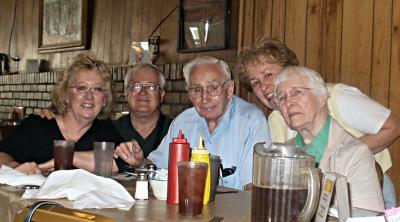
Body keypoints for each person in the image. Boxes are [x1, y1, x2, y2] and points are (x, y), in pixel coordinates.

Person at [237, 38, 400, 208]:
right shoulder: (276, 119)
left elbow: (393, 126)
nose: (263, 86)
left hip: (366, 184)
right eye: (255, 83)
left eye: (268, 75)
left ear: (289, 68)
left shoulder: (335, 95)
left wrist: (342, 155)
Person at [117, 56, 271, 190]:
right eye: (197, 90)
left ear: (230, 89)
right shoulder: (183, 122)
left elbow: (254, 191)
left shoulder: (251, 121)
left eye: (213, 88)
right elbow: (157, 167)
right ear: (189, 93)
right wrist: (140, 162)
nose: (205, 98)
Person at [0, 53, 143, 174]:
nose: (89, 96)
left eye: (97, 89)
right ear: (65, 95)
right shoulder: (38, 125)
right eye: (81, 88)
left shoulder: (106, 131)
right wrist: (16, 168)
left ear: (105, 99)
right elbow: (2, 154)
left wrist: (66, 157)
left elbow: (117, 163)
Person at [275, 66, 384, 212]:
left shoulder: (356, 155)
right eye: (282, 97)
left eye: (297, 92)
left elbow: (367, 219)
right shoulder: (279, 155)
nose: (289, 102)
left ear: (322, 99)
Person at [112, 63, 172, 158]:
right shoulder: (110, 130)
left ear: (162, 95)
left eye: (151, 87)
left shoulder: (174, 131)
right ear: (126, 93)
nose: (143, 92)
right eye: (136, 86)